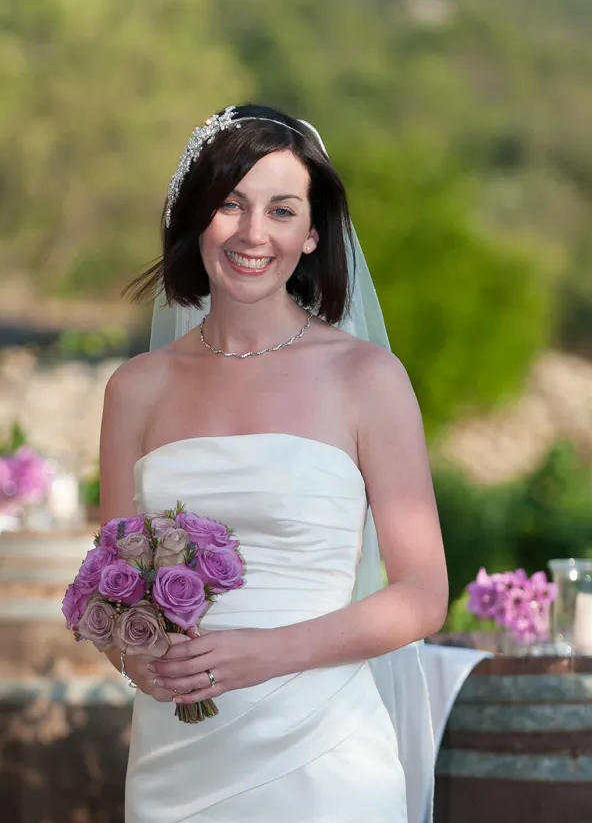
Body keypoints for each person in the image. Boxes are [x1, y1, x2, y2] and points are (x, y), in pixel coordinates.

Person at [98, 103, 448, 823]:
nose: (253, 233)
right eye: (230, 205)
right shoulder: (135, 388)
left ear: (312, 234)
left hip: (322, 758)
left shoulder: (366, 378)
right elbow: (111, 594)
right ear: (196, 217)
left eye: (282, 210)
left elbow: (422, 595)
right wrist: (141, 661)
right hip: (173, 766)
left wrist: (266, 654)